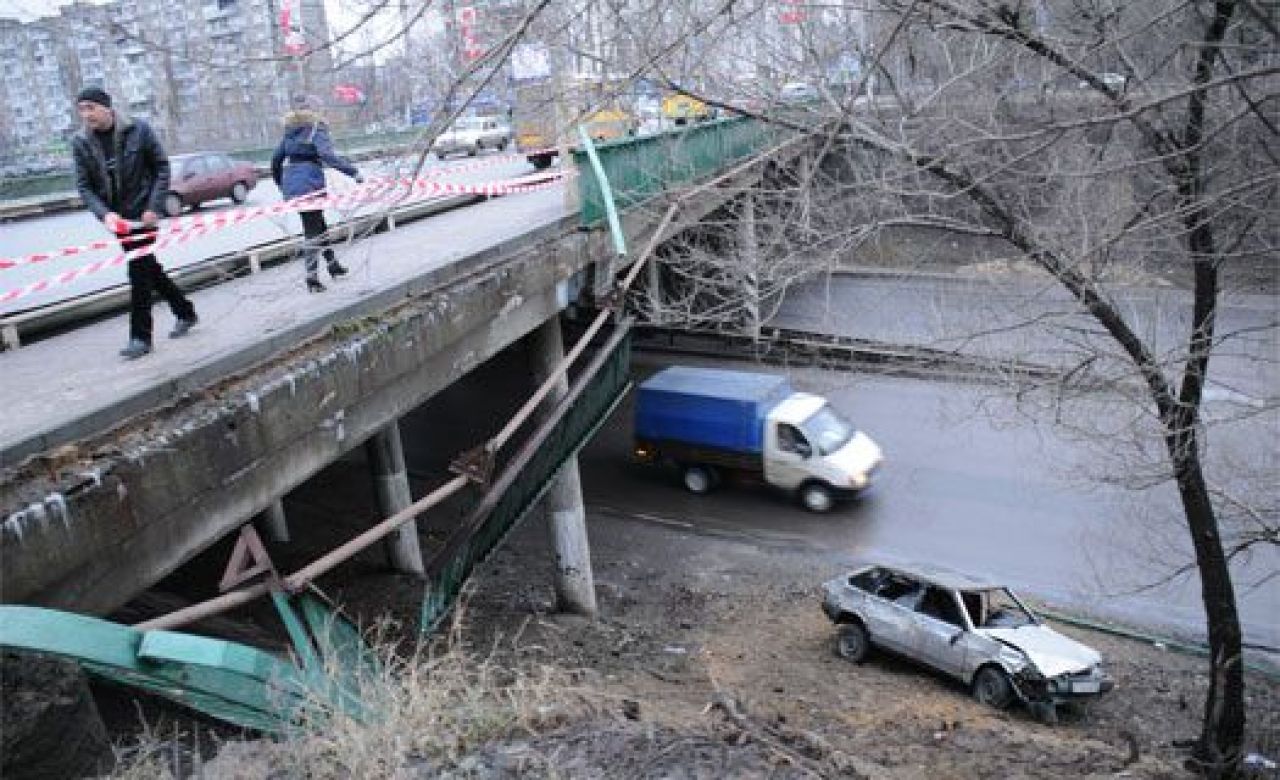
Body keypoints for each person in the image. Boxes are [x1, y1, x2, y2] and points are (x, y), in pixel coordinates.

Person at [72, 87, 197, 360]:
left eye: (91, 107)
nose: (86, 114)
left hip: (143, 215)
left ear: (107, 107)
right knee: (148, 266)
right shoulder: (81, 142)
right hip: (117, 221)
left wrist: (154, 207)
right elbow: (84, 187)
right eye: (81, 109)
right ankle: (185, 311)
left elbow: (161, 168)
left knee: (138, 271)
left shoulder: (138, 130)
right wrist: (105, 215)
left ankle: (140, 337)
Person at [271, 94, 363, 293]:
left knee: (319, 225)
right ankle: (311, 278)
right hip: (310, 183)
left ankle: (333, 265)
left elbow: (276, 160)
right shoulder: (316, 128)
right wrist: (352, 171)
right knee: (312, 231)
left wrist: (282, 185)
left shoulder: (290, 131)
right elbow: (327, 155)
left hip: (293, 184)